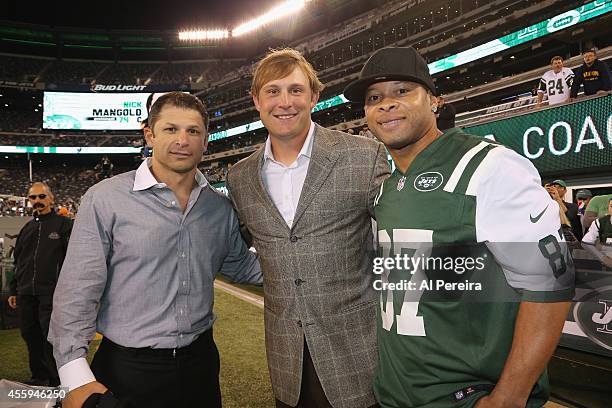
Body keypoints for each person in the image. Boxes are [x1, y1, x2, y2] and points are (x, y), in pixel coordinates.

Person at [343, 46, 574, 408]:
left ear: (435, 100)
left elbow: (551, 285)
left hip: (464, 396)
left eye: (402, 91)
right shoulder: (387, 187)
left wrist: (508, 399)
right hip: (395, 393)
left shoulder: (490, 166)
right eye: (374, 98)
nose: (386, 104)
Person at [49, 92, 262, 408]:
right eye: (170, 129)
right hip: (128, 368)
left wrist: (309, 259)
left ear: (205, 141)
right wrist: (74, 377)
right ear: (149, 133)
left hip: (200, 363)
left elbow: (241, 266)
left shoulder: (219, 208)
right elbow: (77, 291)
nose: (182, 140)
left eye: (193, 131)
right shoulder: (105, 199)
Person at [226, 48, 389, 408]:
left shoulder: (363, 155)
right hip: (287, 363)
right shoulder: (239, 177)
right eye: (272, 91)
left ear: (314, 96)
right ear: (256, 100)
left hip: (359, 356)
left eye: (296, 90)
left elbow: (399, 243)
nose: (285, 102)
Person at [8, 182, 72, 387]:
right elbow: (19, 261)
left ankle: (56, 379)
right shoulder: (27, 228)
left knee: (50, 338)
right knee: (30, 335)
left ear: (51, 199)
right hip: (26, 293)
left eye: (41, 197)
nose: (37, 201)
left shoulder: (63, 225)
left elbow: (73, 260)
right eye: (33, 198)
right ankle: (39, 377)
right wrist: (14, 290)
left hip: (51, 294)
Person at [582, 198, 612, 269]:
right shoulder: (599, 222)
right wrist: (603, 258)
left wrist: (601, 247)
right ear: (608, 207)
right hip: (607, 264)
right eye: (611, 206)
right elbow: (586, 242)